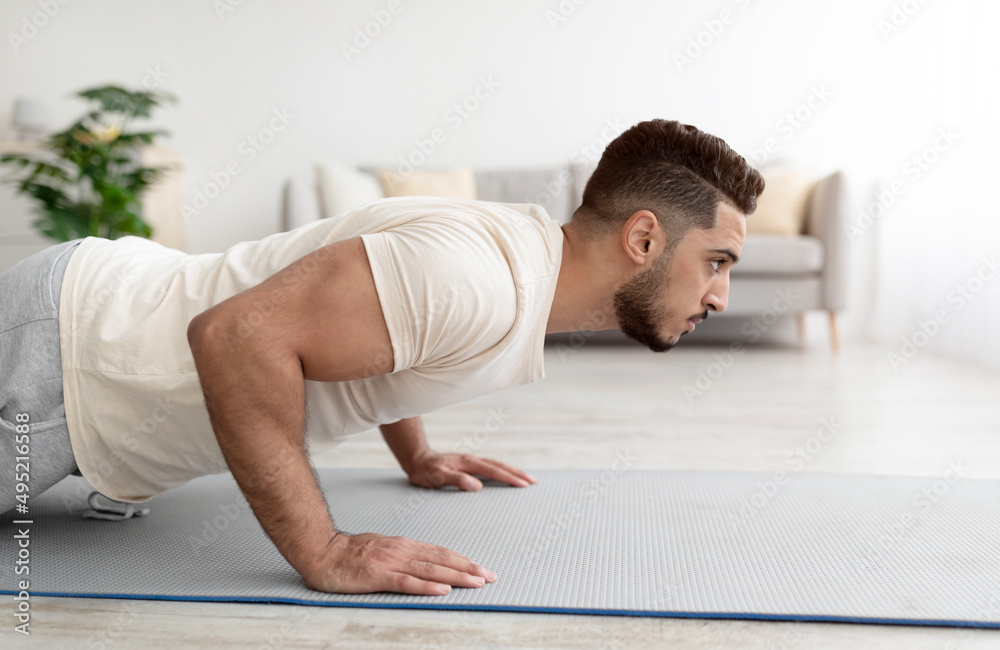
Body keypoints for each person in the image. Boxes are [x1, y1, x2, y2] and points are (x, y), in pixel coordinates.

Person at [0, 118, 764, 596]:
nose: (720, 296)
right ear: (642, 239)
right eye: (717, 262)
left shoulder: (515, 260)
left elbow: (396, 336)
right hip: (70, 359)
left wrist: (418, 451)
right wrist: (323, 550)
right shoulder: (478, 282)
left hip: (92, 344)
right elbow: (235, 337)